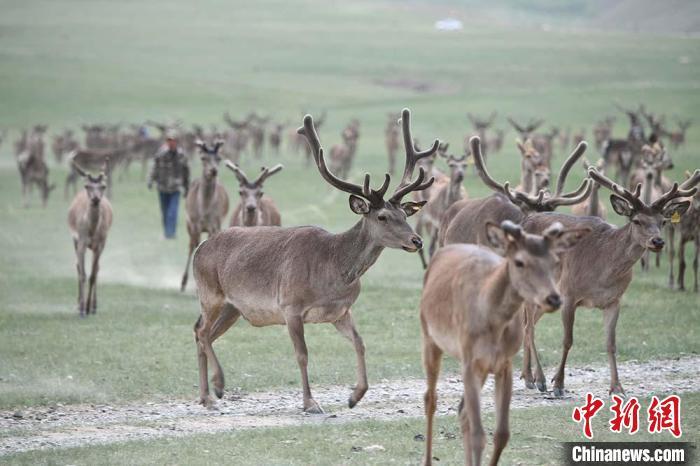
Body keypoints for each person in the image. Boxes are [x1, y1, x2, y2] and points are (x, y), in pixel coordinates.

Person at [148, 130, 189, 239]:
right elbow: (154, 168)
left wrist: (186, 187)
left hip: (175, 188)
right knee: (165, 211)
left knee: (172, 211)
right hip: (162, 187)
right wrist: (150, 180)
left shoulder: (181, 155)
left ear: (177, 142)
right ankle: (167, 232)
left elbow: (186, 172)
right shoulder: (161, 154)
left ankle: (171, 233)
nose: (171, 143)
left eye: (173, 141)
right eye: (169, 140)